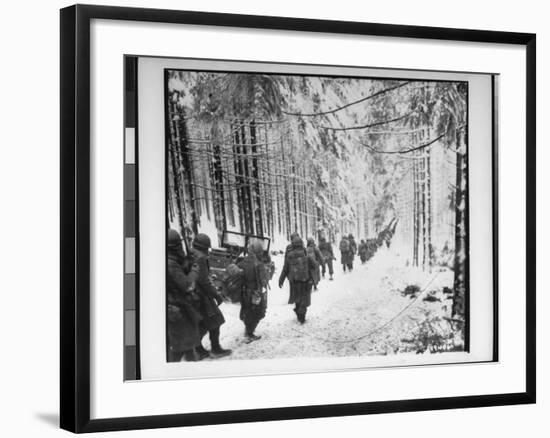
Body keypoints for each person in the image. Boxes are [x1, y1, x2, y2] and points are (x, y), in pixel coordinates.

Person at [190, 233, 232, 358]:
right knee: (216, 320)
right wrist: (217, 295)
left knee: (202, 324)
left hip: (193, 295)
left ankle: (198, 349)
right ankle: (215, 349)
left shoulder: (191, 253)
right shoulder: (201, 258)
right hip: (202, 295)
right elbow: (204, 281)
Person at [166, 229, 203, 362]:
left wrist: (187, 263)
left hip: (179, 308)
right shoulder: (170, 264)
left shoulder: (171, 260)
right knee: (179, 349)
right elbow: (188, 285)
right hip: (177, 309)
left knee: (187, 346)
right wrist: (194, 270)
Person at [279, 234, 315, 323]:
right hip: (305, 280)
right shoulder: (305, 253)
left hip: (294, 281)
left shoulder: (289, 255)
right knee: (304, 299)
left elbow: (285, 268)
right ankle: (301, 316)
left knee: (297, 298)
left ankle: (298, 312)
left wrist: (281, 279)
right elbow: (314, 265)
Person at [238, 240, 268, 342]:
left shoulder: (243, 261)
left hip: (244, 291)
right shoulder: (258, 264)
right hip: (255, 292)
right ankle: (249, 334)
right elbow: (263, 281)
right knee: (259, 312)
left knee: (248, 311)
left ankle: (248, 331)